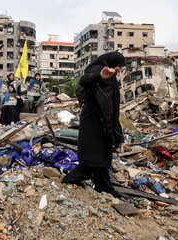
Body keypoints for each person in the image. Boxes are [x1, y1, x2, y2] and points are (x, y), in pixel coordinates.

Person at [62, 52, 125, 198]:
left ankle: (103, 186)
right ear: (112, 62)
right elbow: (85, 80)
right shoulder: (98, 69)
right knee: (94, 154)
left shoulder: (110, 72)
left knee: (102, 154)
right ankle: (70, 180)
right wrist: (100, 76)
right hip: (93, 120)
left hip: (103, 120)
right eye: (119, 66)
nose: (120, 70)